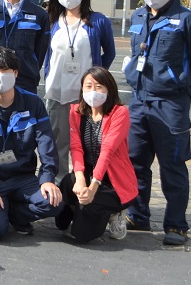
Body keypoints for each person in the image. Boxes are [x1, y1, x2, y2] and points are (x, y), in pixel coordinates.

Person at [123, 0, 191, 246]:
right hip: (139, 101)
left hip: (171, 104)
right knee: (136, 161)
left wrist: (184, 85)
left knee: (173, 165)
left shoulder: (189, 20)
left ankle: (176, 225)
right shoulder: (138, 16)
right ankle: (138, 216)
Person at [0, 46, 63, 240]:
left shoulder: (33, 104)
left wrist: (47, 179)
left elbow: (47, 145)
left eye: (6, 70)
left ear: (16, 73)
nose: (0, 75)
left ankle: (16, 214)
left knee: (54, 202)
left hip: (22, 177)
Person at [42, 0, 116, 181]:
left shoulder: (98, 21)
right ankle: (61, 188)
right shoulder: (52, 21)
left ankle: (88, 187)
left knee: (87, 143)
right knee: (59, 143)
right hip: (57, 93)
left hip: (86, 97)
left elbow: (109, 52)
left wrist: (97, 79)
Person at [55, 66, 137, 243]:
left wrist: (92, 188)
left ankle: (115, 212)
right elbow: (76, 148)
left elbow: (107, 151)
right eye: (89, 86)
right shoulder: (76, 112)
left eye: (99, 86)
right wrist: (80, 179)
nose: (93, 91)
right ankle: (82, 210)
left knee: (81, 235)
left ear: (109, 89)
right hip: (88, 176)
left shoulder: (119, 113)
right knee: (67, 185)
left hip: (113, 183)